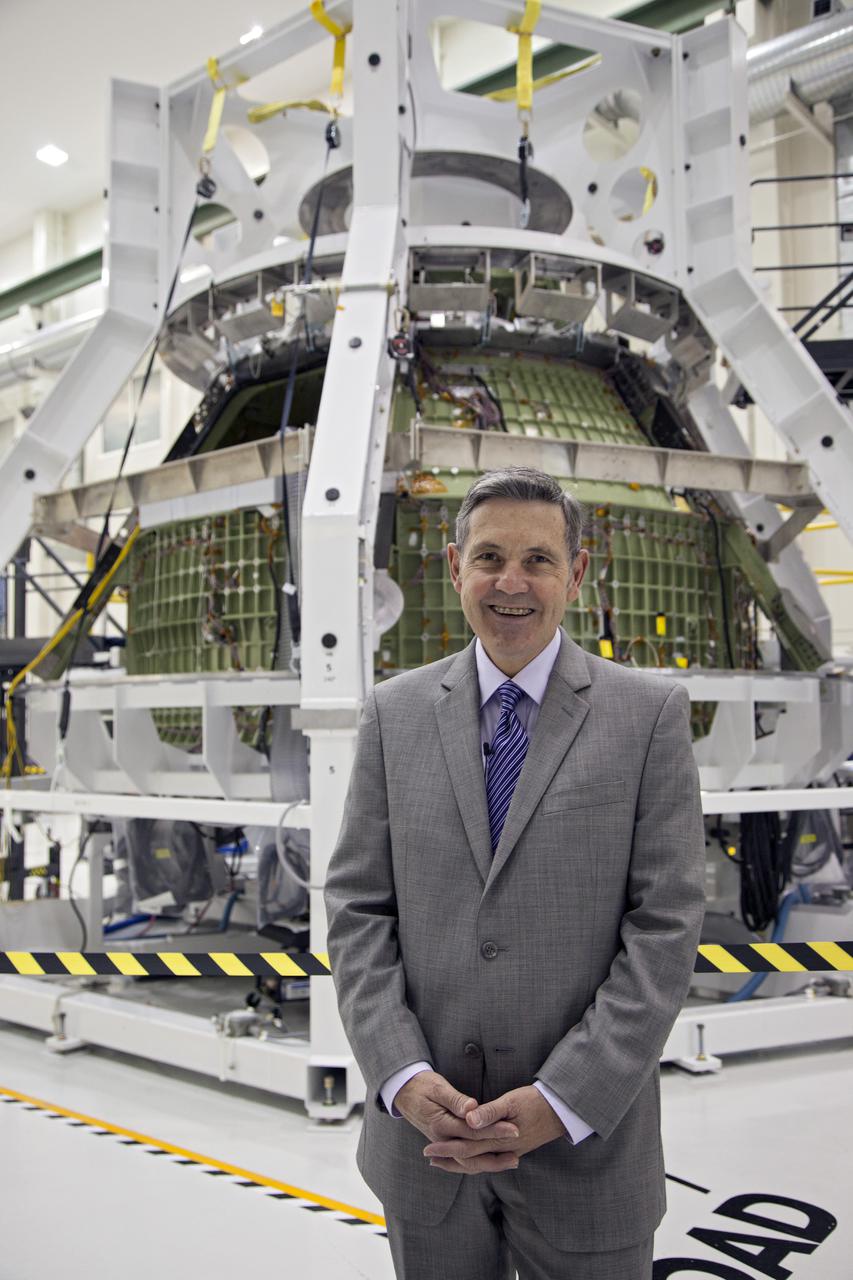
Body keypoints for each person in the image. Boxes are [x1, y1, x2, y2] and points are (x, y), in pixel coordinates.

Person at [324, 466, 705, 1280]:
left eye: (537, 559)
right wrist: (400, 1074)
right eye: (490, 556)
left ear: (575, 572)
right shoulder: (393, 714)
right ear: (454, 566)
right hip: (425, 1149)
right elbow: (358, 907)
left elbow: (665, 928)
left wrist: (563, 1098)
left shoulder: (646, 716)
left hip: (587, 1152)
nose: (511, 582)